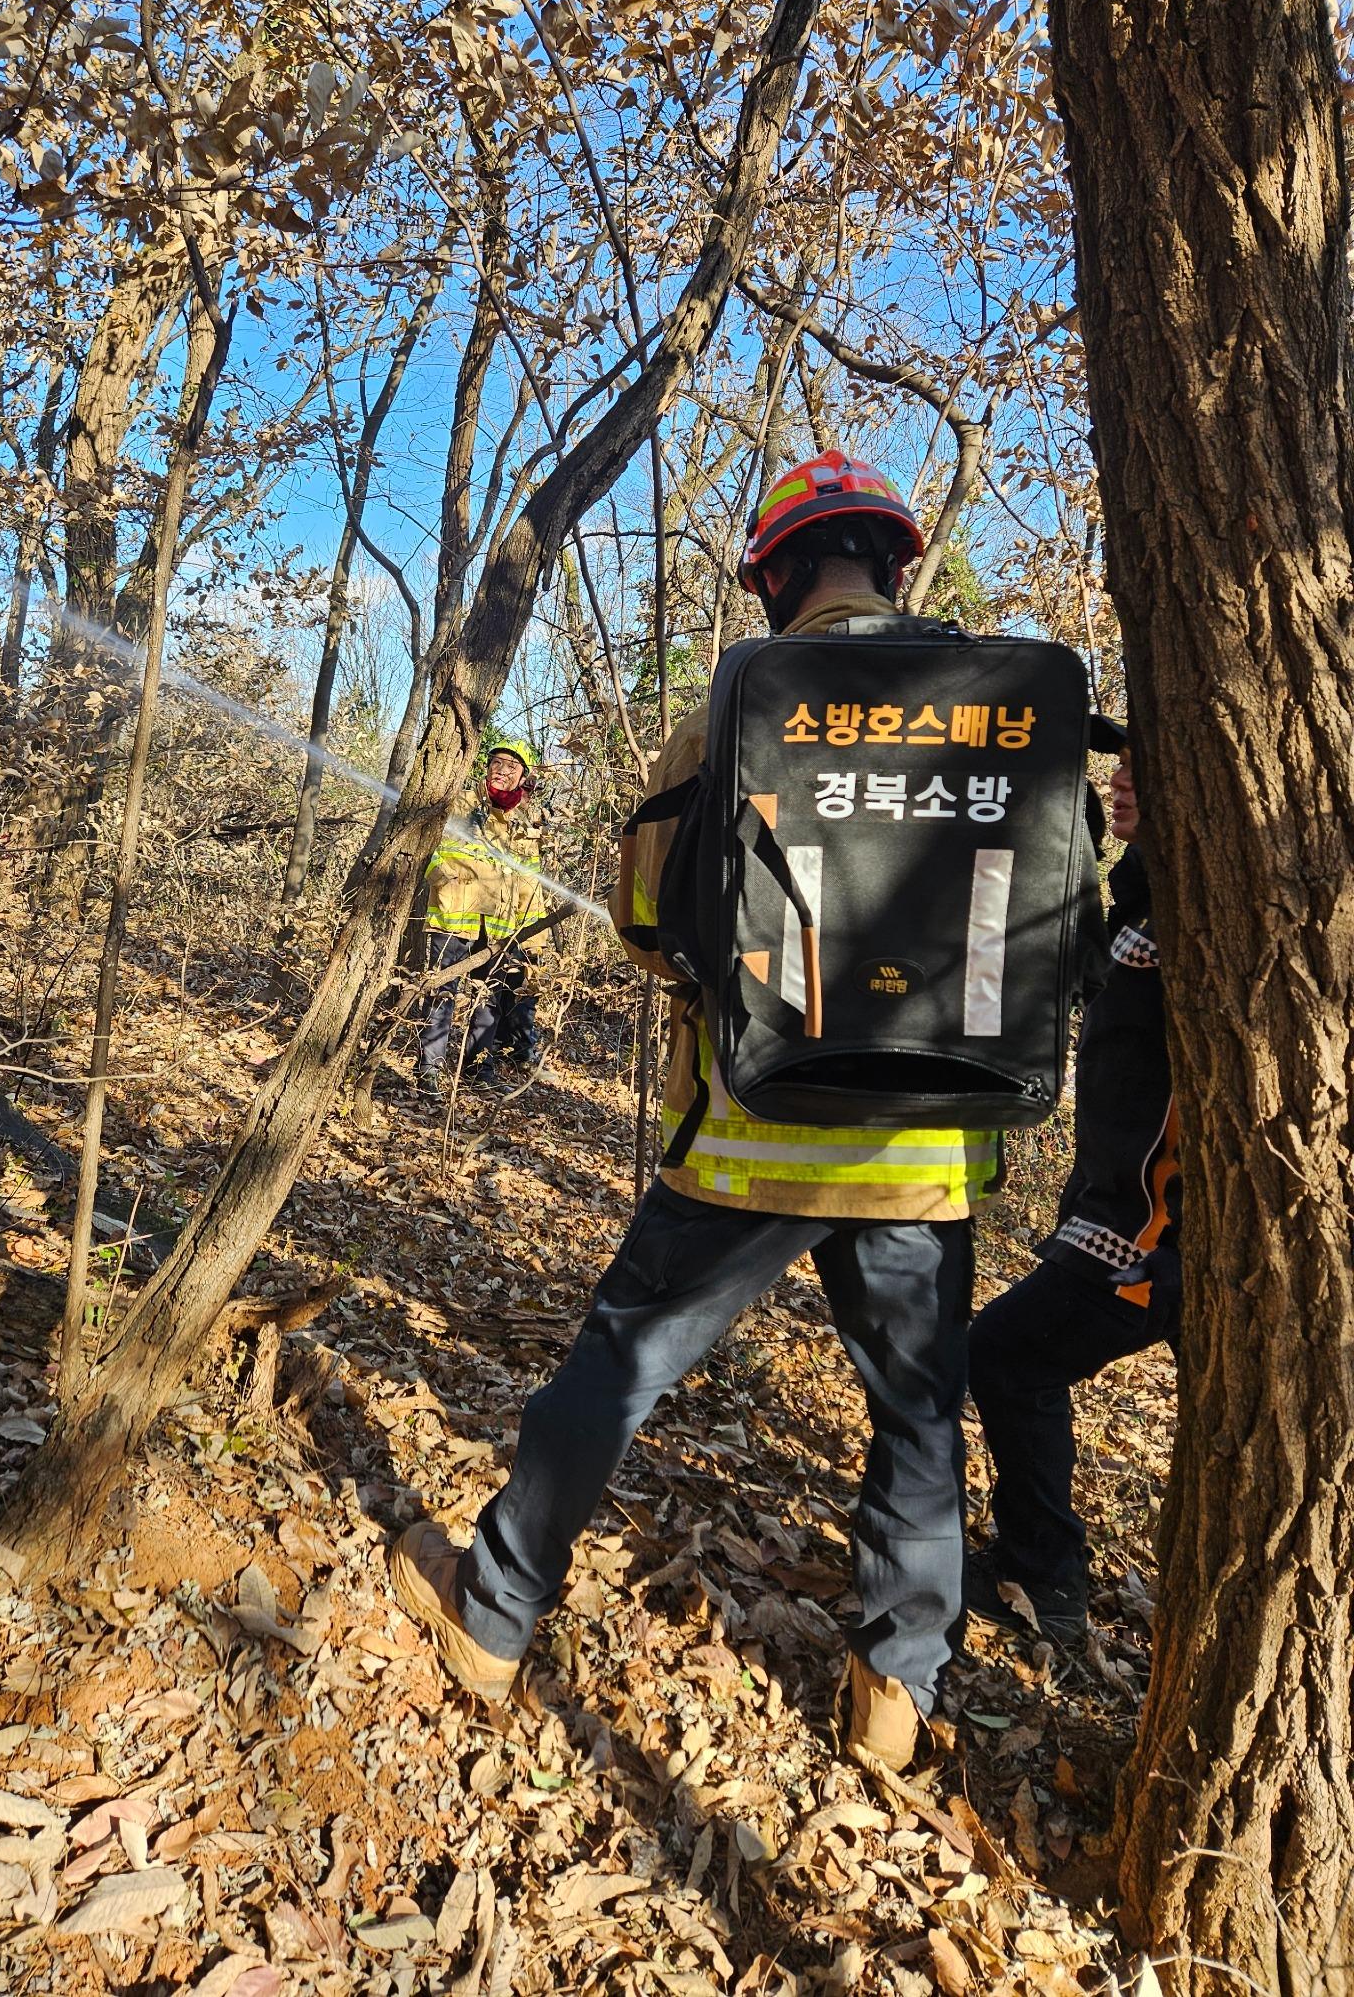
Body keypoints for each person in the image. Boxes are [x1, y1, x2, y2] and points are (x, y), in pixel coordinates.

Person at [388, 452, 1005, 1772]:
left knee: (616, 1372)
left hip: (745, 1138)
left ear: (777, 572)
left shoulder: (741, 696)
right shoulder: (982, 704)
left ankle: (491, 1623)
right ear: (895, 563)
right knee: (915, 1417)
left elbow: (645, 917)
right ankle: (892, 1700)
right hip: (921, 1153)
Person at [965, 744, 1179, 1643]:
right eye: (1122, 762)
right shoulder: (1153, 900)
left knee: (1009, 1353)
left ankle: (1046, 1578)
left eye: (1148, 766)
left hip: (1153, 1234)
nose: (1123, 778)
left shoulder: (1209, 917)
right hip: (1117, 1214)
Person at [415, 738, 548, 1096]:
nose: (503, 770)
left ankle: (478, 1069)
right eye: (498, 762)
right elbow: (427, 847)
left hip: (500, 928)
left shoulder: (524, 820)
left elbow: (530, 883)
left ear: (524, 776)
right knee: (442, 993)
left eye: (512, 766)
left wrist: (533, 938)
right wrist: (446, 881)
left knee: (487, 1001)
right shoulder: (463, 802)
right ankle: (429, 1069)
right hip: (455, 917)